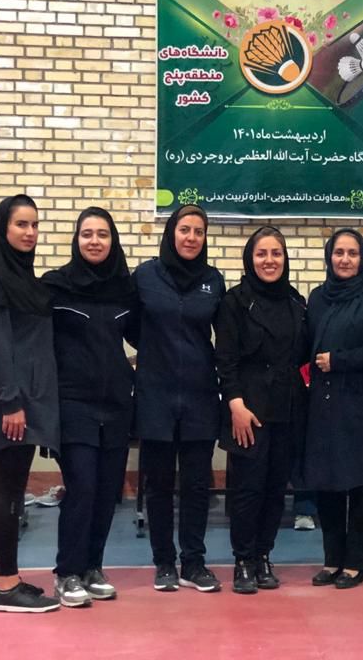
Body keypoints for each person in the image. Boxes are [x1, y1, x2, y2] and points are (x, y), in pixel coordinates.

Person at [0, 194, 60, 613]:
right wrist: (10, 402)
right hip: (9, 402)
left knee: (5, 487)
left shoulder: (18, 275)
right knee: (8, 490)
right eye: (21, 224)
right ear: (2, 227)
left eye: (35, 225)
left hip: (20, 398)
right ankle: (7, 587)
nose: (30, 232)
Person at [41, 207, 137, 607]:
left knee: (106, 492)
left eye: (102, 234)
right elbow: (31, 339)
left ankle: (93, 567)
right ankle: (67, 571)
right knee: (81, 488)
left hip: (116, 406)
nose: (94, 241)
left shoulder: (125, 290)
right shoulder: (55, 286)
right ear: (76, 239)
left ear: (112, 240)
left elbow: (147, 337)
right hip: (72, 404)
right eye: (87, 234)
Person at [133, 204, 225, 593]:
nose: (191, 237)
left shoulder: (213, 280)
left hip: (200, 397)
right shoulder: (145, 276)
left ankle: (194, 562)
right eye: (185, 229)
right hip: (155, 396)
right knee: (157, 485)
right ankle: (164, 562)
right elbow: (131, 327)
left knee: (197, 485)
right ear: (171, 232)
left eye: (198, 232)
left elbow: (224, 334)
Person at [301, 228, 363, 589]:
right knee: (326, 483)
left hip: (361, 402)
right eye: (339, 252)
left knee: (360, 485)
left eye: (352, 253)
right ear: (329, 256)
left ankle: (355, 563)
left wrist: (339, 361)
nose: (344, 259)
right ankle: (332, 559)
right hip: (322, 403)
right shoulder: (318, 297)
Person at [215, 227, 307, 595]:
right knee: (248, 489)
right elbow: (226, 360)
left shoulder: (297, 302)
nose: (269, 261)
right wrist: (235, 404)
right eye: (261, 254)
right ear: (250, 259)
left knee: (275, 489)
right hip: (248, 411)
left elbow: (302, 359)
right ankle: (242, 560)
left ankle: (263, 556)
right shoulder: (234, 302)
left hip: (287, 409)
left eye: (276, 254)